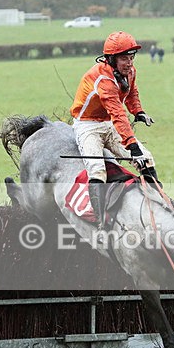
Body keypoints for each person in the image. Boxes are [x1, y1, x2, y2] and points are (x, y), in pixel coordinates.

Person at [70, 31, 158, 231]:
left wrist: (139, 112)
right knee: (97, 171)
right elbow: (118, 113)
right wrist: (132, 145)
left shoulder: (130, 71)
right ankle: (101, 224)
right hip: (87, 125)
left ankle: (158, 203)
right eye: (124, 58)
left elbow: (132, 93)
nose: (129, 63)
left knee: (147, 158)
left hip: (108, 123)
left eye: (131, 57)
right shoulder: (102, 79)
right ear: (111, 59)